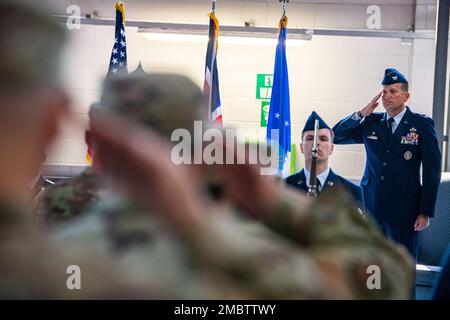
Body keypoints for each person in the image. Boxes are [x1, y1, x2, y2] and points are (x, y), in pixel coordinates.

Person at [52, 72, 415, 299]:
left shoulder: (49, 261)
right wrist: (269, 197)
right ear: (206, 153)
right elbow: (384, 280)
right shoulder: (257, 264)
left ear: (98, 144)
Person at [332, 68, 441, 259]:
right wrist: (361, 113)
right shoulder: (371, 123)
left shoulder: (421, 125)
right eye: (384, 92)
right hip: (371, 207)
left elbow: (432, 170)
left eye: (393, 91)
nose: (387, 96)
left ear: (406, 96)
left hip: (405, 210)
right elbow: (336, 136)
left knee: (402, 268)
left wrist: (425, 211)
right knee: (372, 268)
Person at [285, 111, 364, 209]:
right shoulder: (284, 187)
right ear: (301, 147)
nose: (316, 143)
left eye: (323, 139)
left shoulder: (351, 191)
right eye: (310, 138)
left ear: (331, 148)